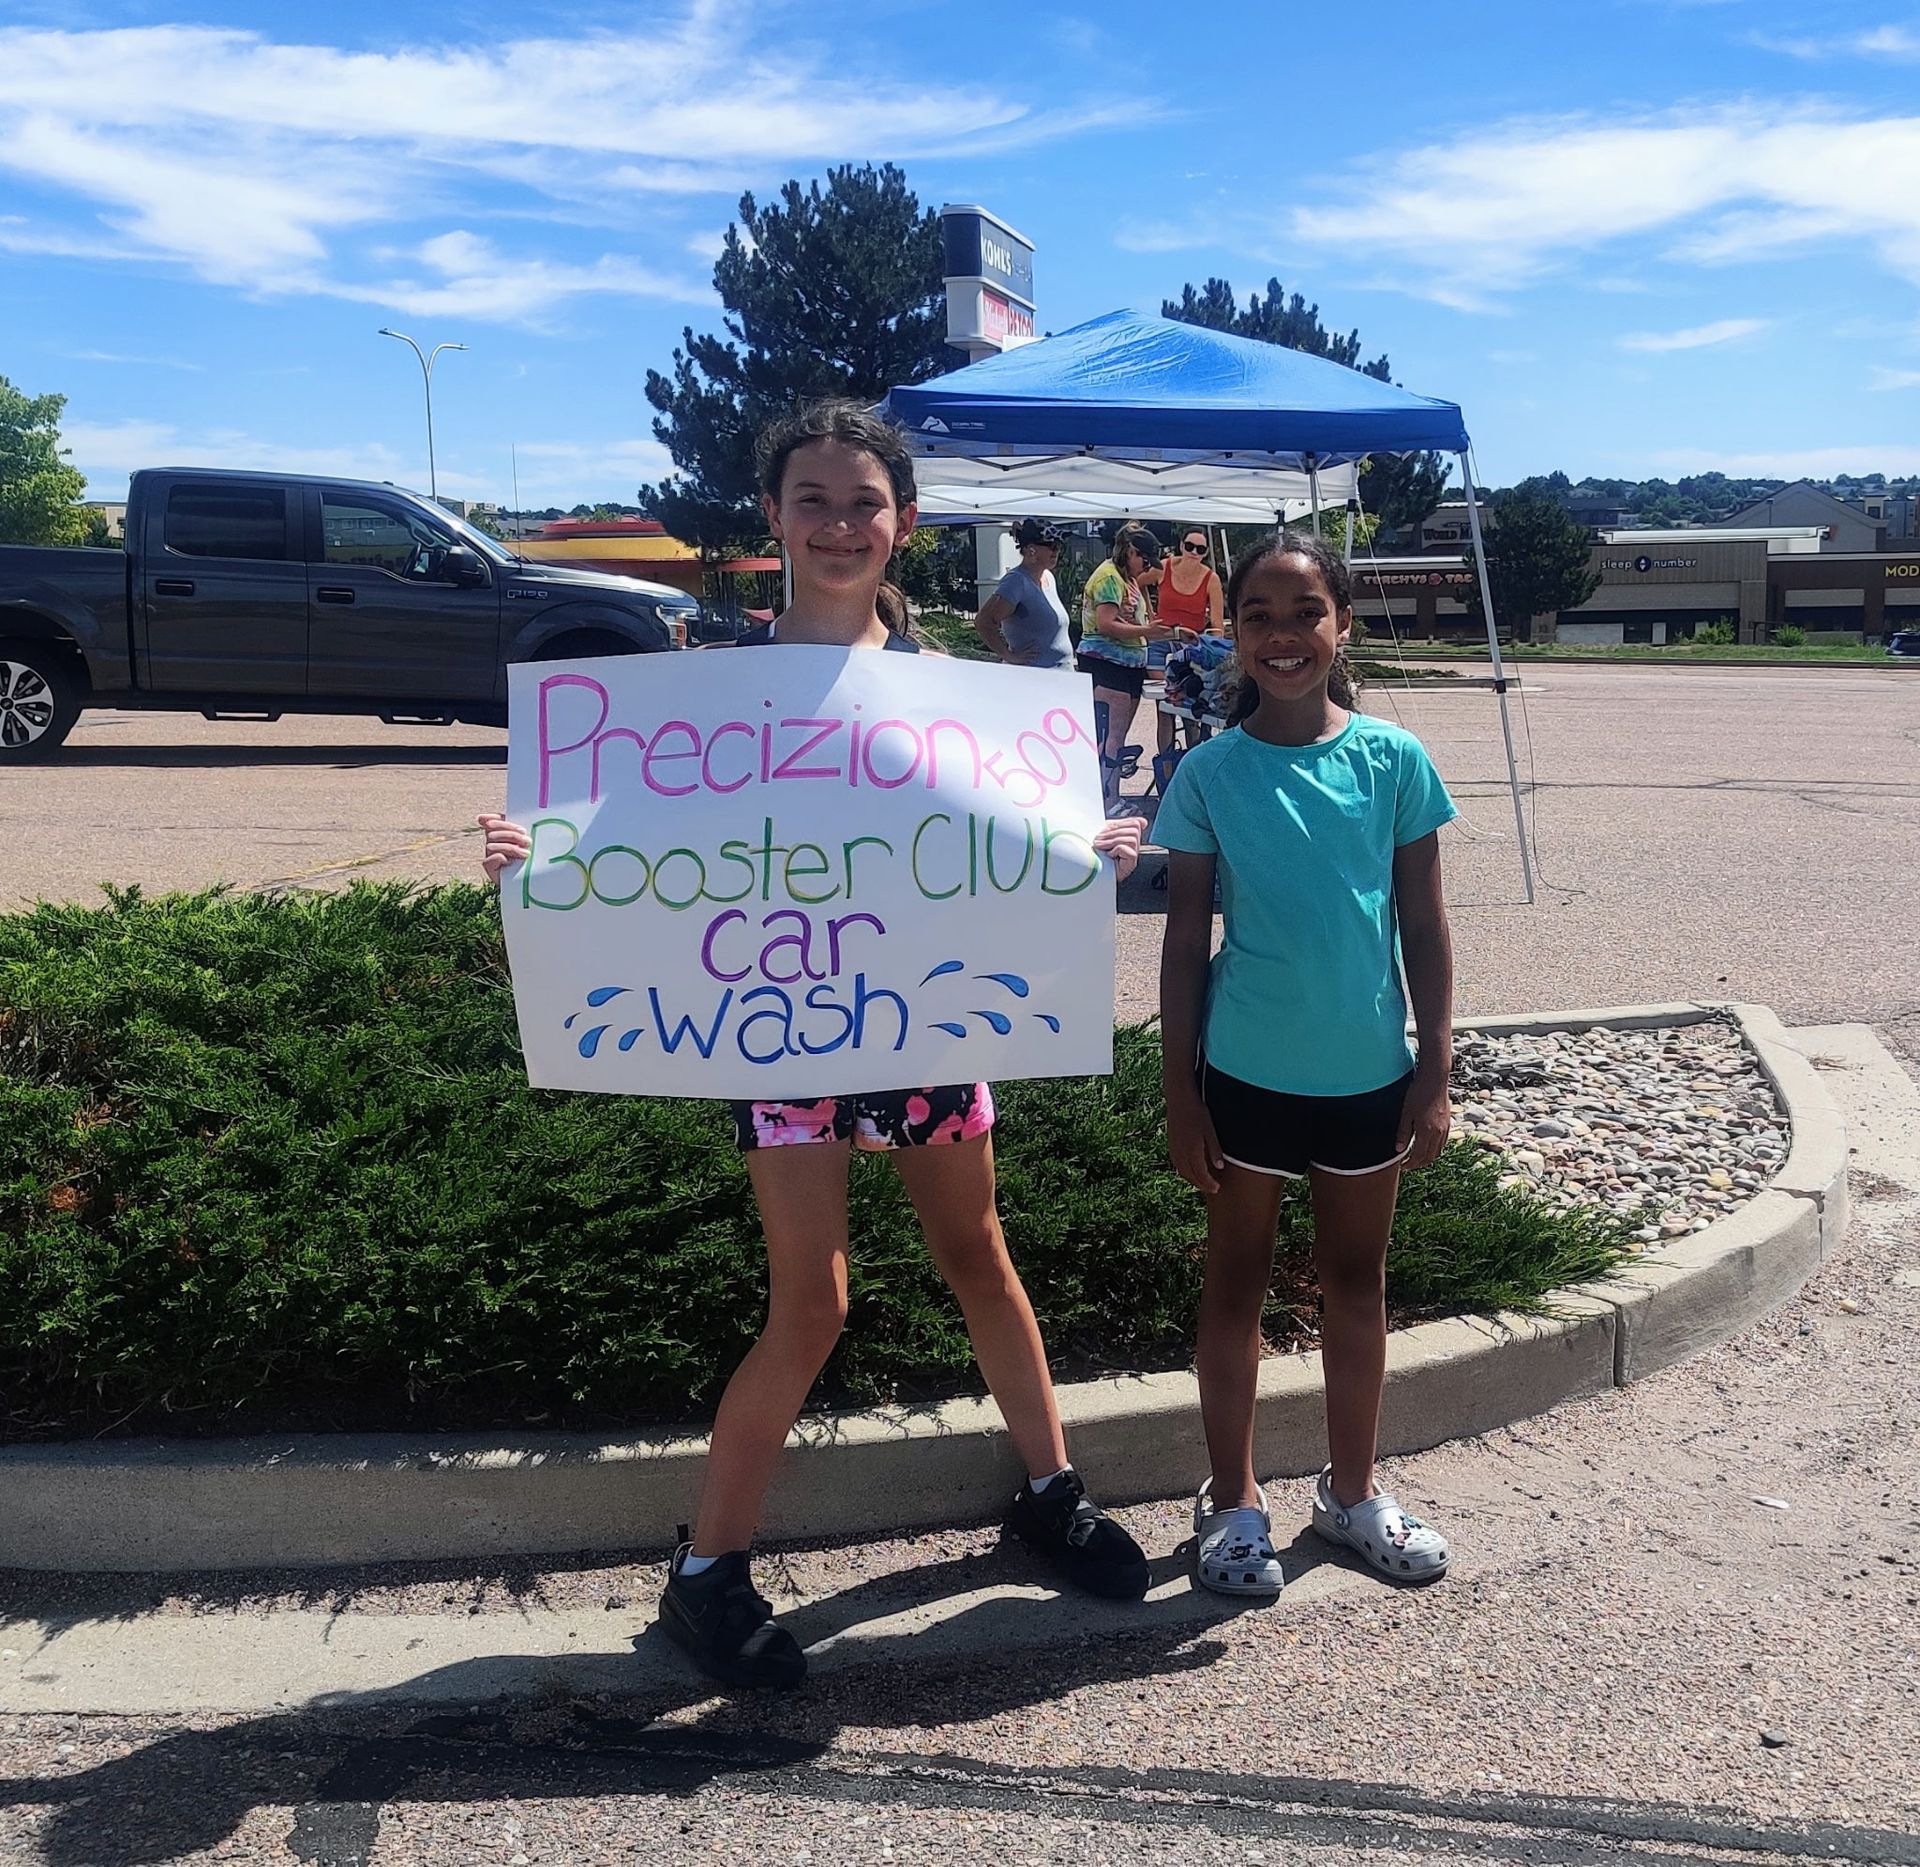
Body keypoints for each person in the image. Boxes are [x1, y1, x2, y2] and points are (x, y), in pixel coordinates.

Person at [479, 399, 1153, 1691]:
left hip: (924, 1022)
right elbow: (615, 837)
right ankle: (707, 1573)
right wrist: (531, 853)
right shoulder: (709, 690)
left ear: (904, 522)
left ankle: (1050, 1492)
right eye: (813, 498)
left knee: (980, 1251)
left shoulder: (961, 692)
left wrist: (1091, 849)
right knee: (817, 1298)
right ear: (776, 516)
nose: (840, 523)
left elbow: (1000, 840)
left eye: (865, 502)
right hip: (782, 1032)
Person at [1154, 530, 1458, 1598]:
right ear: (1229, 632)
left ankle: (1352, 1491)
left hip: (1369, 1074)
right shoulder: (1210, 771)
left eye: (1304, 611)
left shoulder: (1394, 760)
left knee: (1355, 1284)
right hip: (1244, 1077)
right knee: (1233, 1284)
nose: (1284, 635)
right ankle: (1232, 1497)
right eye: (1260, 615)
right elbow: (1184, 935)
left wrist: (1435, 1068)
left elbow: (1422, 920)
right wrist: (1178, 1088)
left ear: (1341, 623)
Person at [1076, 523, 1179, 814]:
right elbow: (1106, 624)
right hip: (1108, 665)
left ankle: (1111, 797)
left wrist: (1170, 634)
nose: (1146, 567)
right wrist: (1148, 630)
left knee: (1117, 738)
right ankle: (1107, 802)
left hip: (1128, 664)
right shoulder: (1108, 576)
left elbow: (1138, 623)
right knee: (1111, 738)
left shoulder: (1126, 578)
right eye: (1144, 561)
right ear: (1131, 551)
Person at [1148, 528, 1227, 789]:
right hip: (1160, 642)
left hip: (1190, 648)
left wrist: (1207, 644)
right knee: (1164, 705)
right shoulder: (1163, 567)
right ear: (1181, 545)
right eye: (1190, 546)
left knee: (1190, 709)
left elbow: (1217, 626)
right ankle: (1167, 773)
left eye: (1200, 549)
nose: (1194, 553)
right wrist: (1147, 617)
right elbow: (1134, 582)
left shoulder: (1210, 578)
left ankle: (1192, 770)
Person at [974, 519, 1073, 668]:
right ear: (1031, 549)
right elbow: (984, 621)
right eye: (1051, 545)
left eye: (1059, 546)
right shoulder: (1016, 581)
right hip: (1035, 677)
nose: (1056, 551)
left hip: (1061, 674)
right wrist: (1008, 655)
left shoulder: (1048, 577)